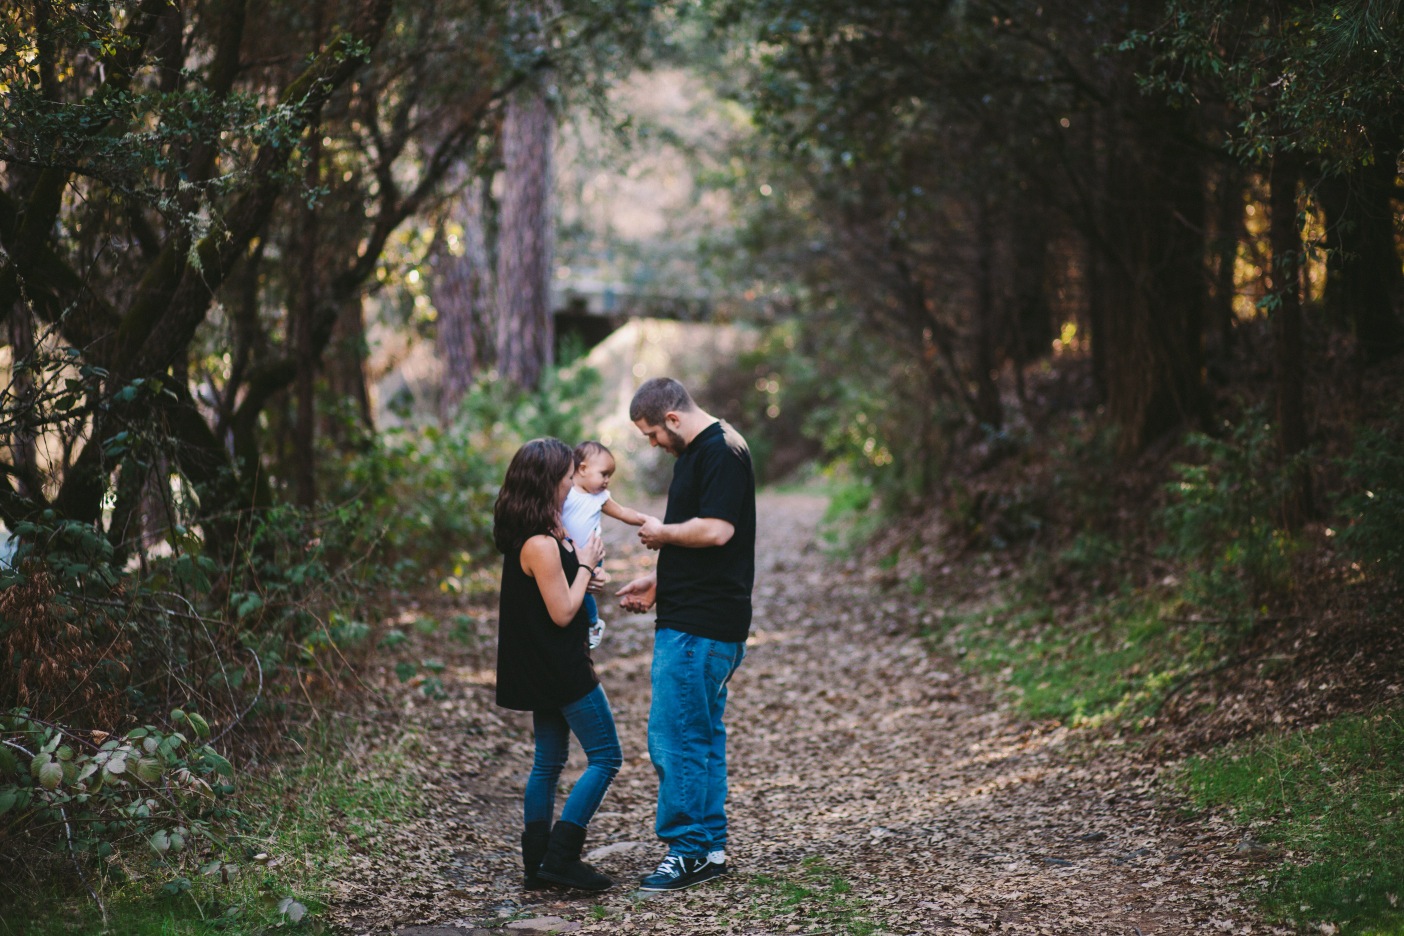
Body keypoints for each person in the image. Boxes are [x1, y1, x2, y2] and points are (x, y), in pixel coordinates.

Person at [616, 377, 757, 892]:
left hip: (699, 627)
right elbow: (706, 543)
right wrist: (659, 579)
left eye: (652, 433)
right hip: (699, 616)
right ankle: (710, 848)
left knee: (675, 739)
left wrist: (661, 532)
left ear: (672, 419)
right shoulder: (700, 454)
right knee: (702, 737)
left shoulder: (720, 450)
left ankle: (689, 850)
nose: (652, 443)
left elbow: (718, 530)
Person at [493, 438, 622, 892]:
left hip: (541, 665)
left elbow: (562, 591)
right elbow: (563, 612)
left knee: (548, 761)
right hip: (560, 667)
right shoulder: (540, 543)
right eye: (569, 478)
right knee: (607, 757)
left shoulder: (541, 531)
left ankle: (537, 865)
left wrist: (586, 576)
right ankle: (562, 858)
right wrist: (585, 566)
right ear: (549, 482)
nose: (573, 485)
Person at [561, 440, 651, 649]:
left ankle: (593, 623)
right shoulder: (565, 490)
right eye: (604, 474)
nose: (607, 480)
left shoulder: (600, 497)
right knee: (566, 589)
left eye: (609, 475)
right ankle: (572, 623)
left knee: (583, 590)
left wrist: (644, 519)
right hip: (567, 553)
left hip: (591, 555)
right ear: (583, 469)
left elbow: (622, 512)